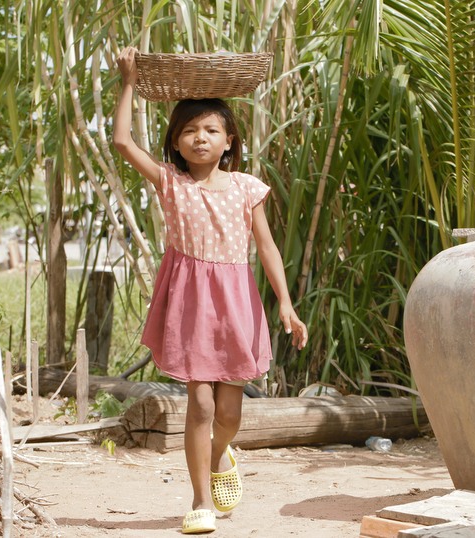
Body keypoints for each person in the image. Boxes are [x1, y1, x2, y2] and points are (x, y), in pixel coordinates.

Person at [113, 46, 308, 535]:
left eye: (211, 130)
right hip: (190, 303)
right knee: (199, 404)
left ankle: (221, 455)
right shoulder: (170, 183)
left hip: (236, 301)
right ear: (175, 143)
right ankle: (199, 500)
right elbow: (120, 142)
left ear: (229, 140)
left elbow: (266, 249)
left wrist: (285, 304)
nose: (200, 137)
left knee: (229, 412)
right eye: (188, 131)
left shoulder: (247, 187)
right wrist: (129, 81)